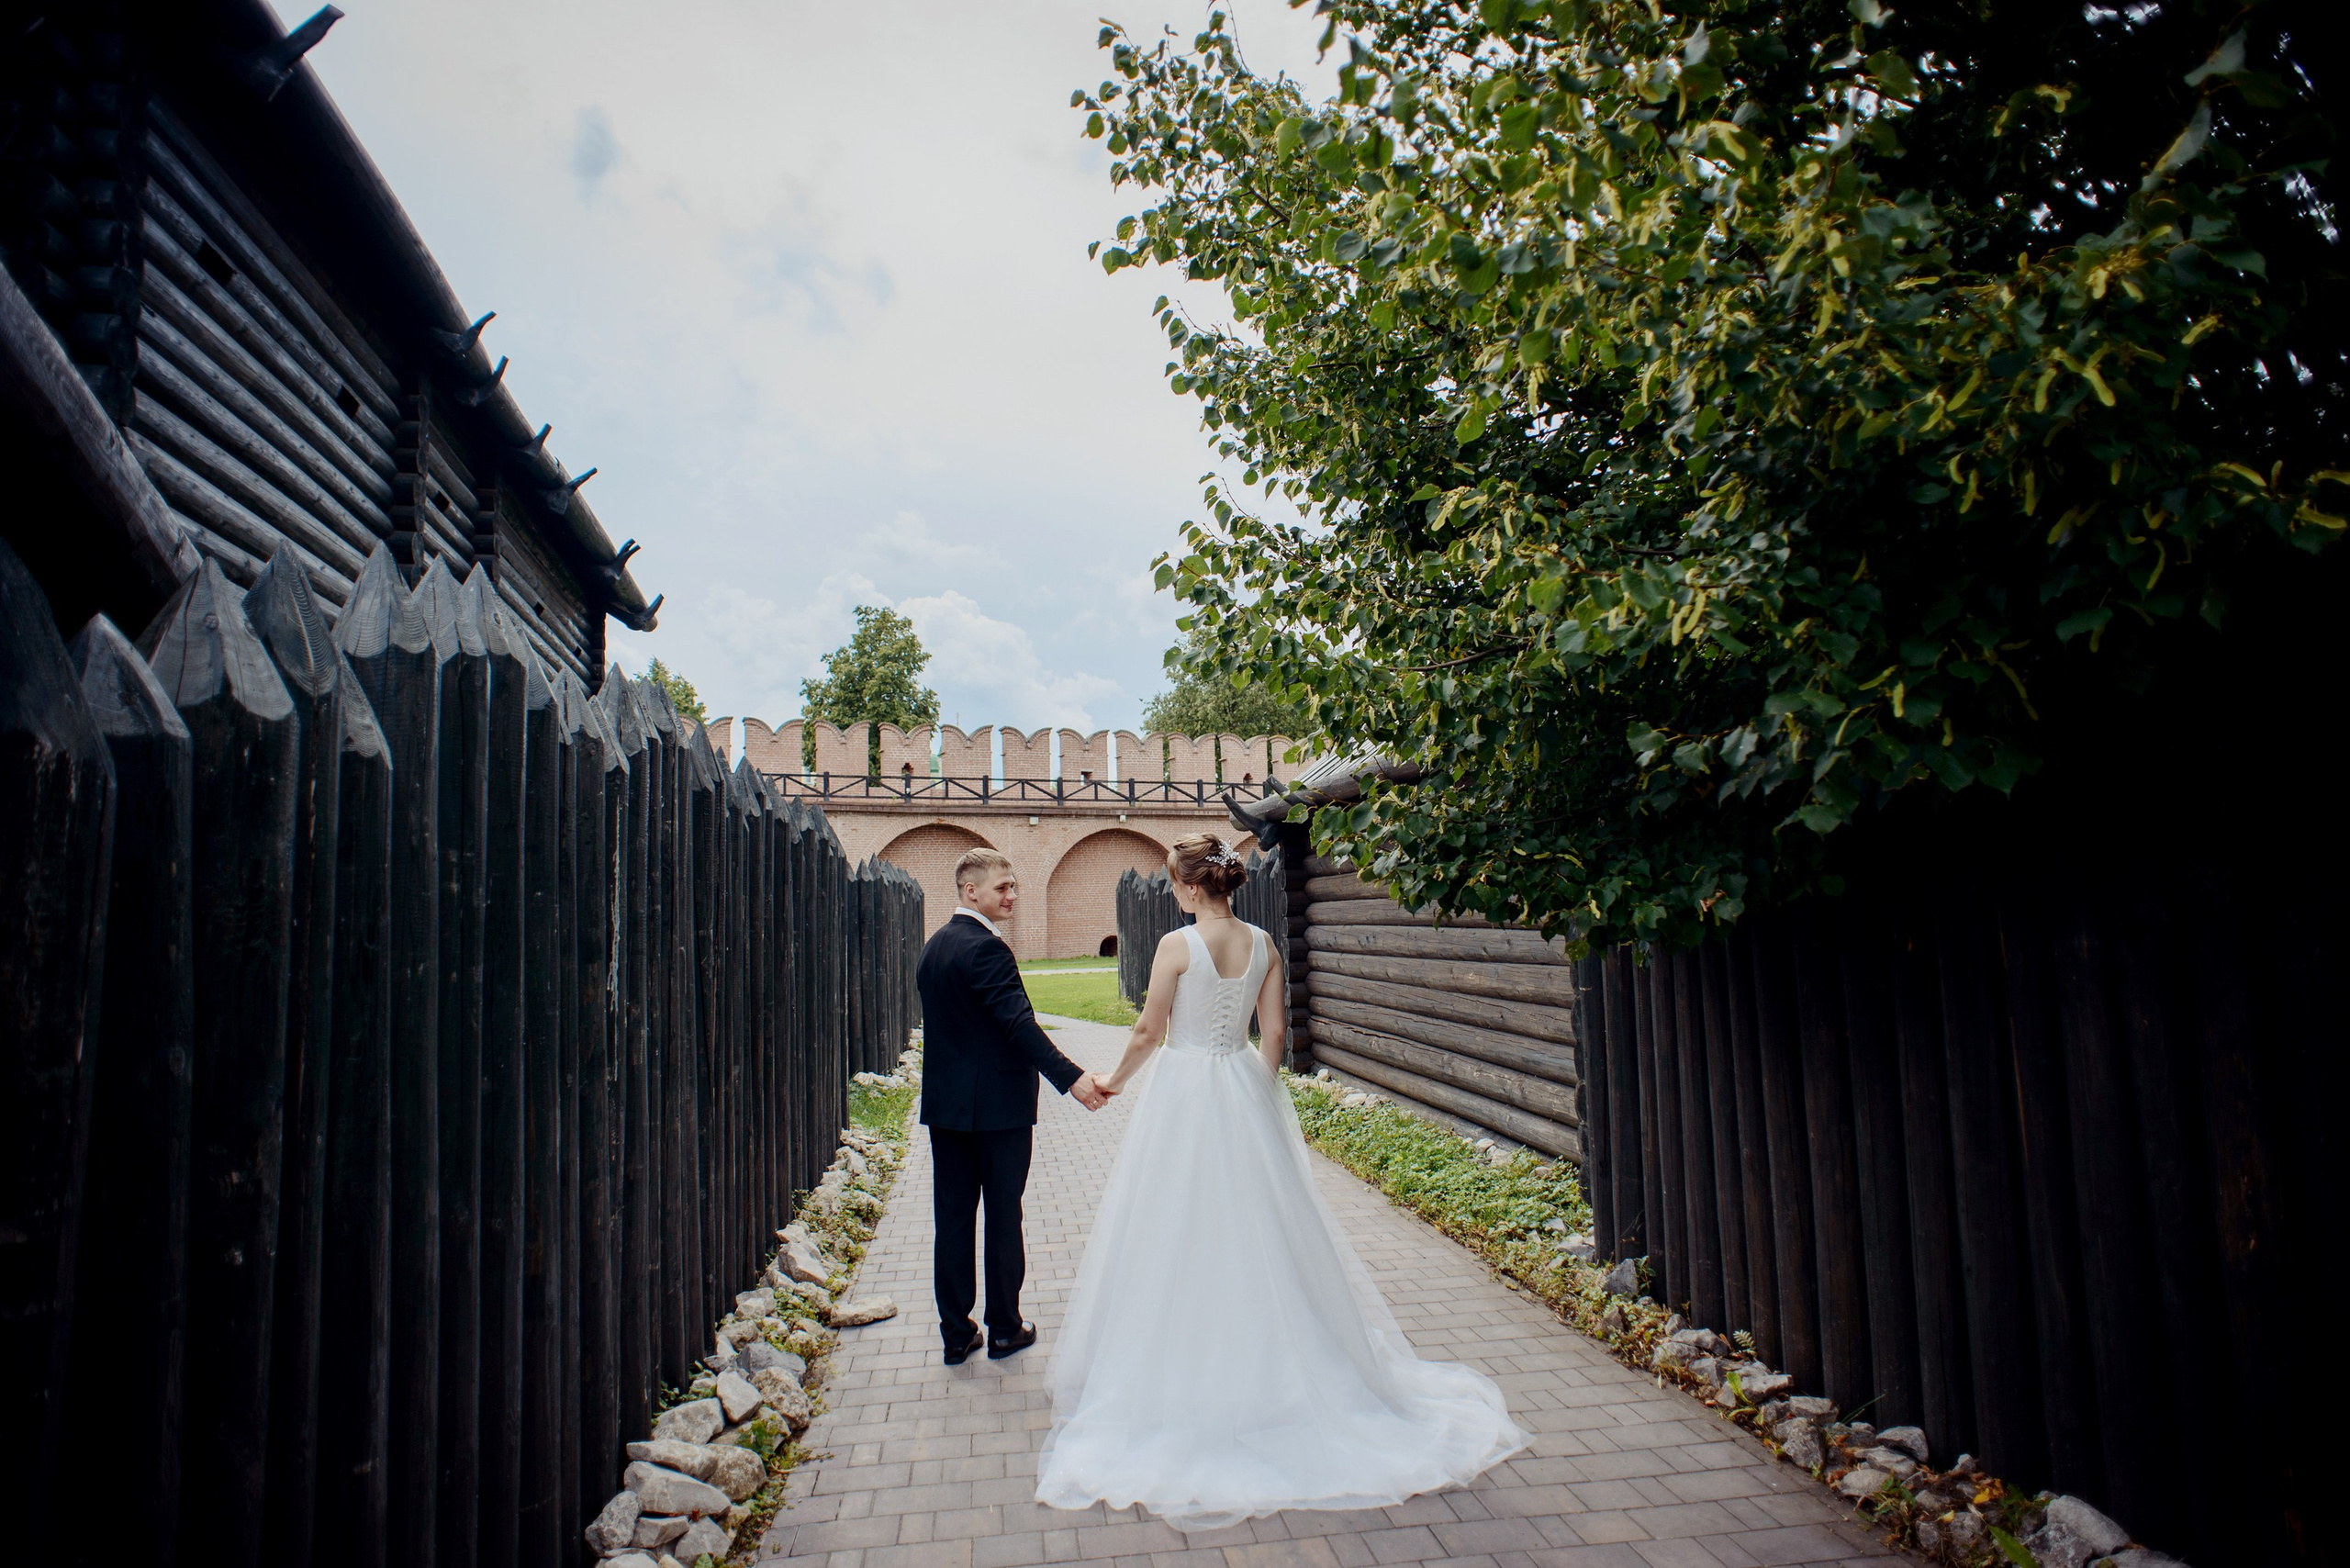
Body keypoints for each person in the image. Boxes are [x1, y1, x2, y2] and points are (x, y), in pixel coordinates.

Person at [1035, 833, 1528, 1529]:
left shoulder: (1178, 946)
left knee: (1174, 1227)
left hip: (1183, 1093)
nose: (1175, 892)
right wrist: (1255, 1096)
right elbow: (1272, 1036)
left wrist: (1112, 1079)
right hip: (1238, 1084)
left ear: (1190, 887)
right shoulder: (1265, 942)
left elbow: (1149, 1030)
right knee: (1261, 1229)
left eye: (1175, 884)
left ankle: (1185, 1371)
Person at [917, 847, 1113, 1366]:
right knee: (1004, 1216)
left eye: (1014, 885)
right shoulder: (987, 949)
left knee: (953, 1220)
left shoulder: (933, 947)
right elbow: (1017, 1024)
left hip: (946, 1109)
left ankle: (956, 1336)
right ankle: (1004, 1327)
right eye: (1002, 887)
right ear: (970, 891)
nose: (1012, 896)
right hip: (998, 1110)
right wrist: (1072, 1078)